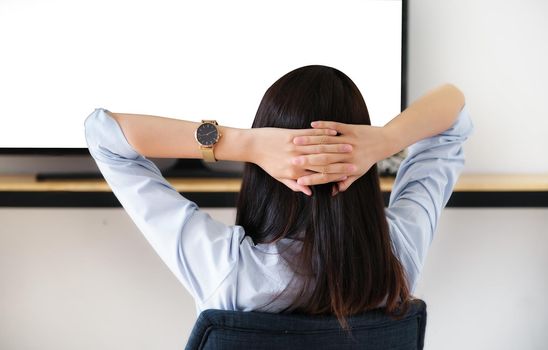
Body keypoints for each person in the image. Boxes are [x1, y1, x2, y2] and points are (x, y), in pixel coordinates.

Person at [84, 65, 473, 330]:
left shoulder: (227, 269)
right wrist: (387, 139)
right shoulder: (398, 255)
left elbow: (104, 134)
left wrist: (244, 142)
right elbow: (454, 111)